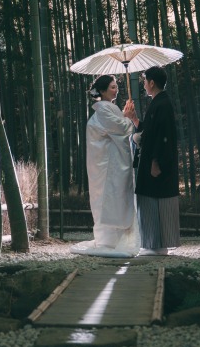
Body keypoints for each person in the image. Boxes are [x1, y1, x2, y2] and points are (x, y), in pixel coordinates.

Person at [71, 74, 140, 257]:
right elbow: (121, 128)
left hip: (109, 163)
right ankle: (109, 240)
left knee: (113, 198)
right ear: (102, 91)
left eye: (116, 86)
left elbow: (119, 127)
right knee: (110, 198)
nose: (116, 90)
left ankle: (114, 239)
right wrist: (128, 117)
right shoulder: (103, 110)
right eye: (112, 87)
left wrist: (125, 115)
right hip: (108, 165)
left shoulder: (108, 109)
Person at [123, 65, 180, 256]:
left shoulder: (162, 104)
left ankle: (156, 245)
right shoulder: (159, 102)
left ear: (152, 82)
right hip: (153, 160)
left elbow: (163, 136)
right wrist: (135, 119)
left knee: (154, 200)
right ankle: (154, 244)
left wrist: (156, 161)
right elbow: (149, 130)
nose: (144, 85)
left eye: (145, 81)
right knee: (151, 200)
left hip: (156, 162)